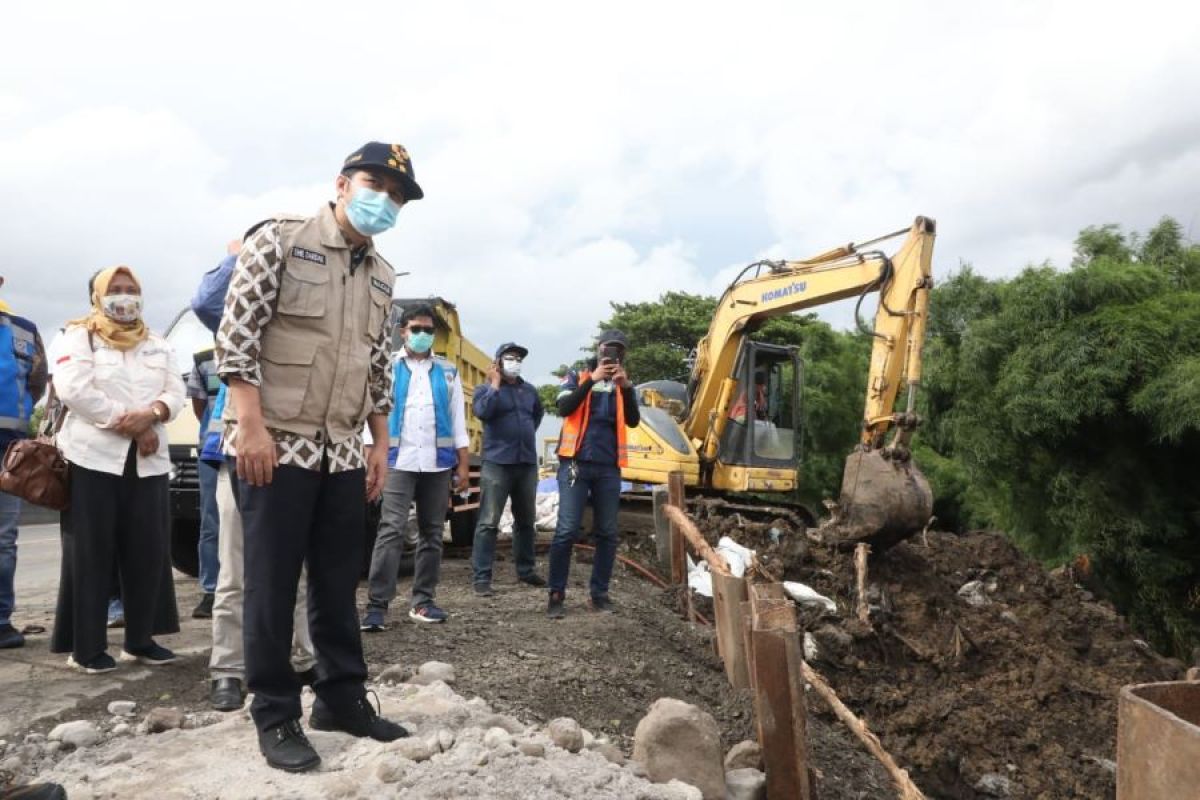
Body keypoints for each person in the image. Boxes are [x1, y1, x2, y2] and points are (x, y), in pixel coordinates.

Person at [216, 142, 418, 772]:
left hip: (342, 450)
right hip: (275, 443)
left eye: (396, 194)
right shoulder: (280, 240)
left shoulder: (383, 273)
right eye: (373, 183)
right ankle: (275, 713)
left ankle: (340, 698)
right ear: (341, 183)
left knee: (337, 581)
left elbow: (377, 364)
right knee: (271, 585)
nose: (382, 199)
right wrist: (250, 427)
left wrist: (381, 443)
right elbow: (237, 334)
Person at [192, 248, 317, 713]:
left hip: (298, 451)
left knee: (297, 568)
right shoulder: (240, 311)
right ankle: (228, 668)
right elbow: (206, 303)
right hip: (241, 453)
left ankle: (304, 658)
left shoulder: (305, 322)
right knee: (235, 567)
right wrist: (237, 258)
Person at [50, 266, 184, 672]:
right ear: (97, 296)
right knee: (90, 554)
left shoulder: (157, 342)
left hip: (148, 462)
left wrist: (153, 414)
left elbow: (174, 391)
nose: (124, 297)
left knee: (148, 550)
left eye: (131, 290)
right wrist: (130, 422)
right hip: (92, 459)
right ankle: (86, 648)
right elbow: (74, 389)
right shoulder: (78, 336)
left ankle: (140, 640)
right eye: (115, 290)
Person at [362, 304, 470, 630]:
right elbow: (374, 413)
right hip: (398, 461)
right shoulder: (389, 368)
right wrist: (370, 456)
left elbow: (458, 422)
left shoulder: (448, 371)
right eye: (417, 329)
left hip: (437, 465)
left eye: (428, 330)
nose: (423, 335)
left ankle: (423, 602)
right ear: (403, 331)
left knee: (433, 534)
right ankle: (377, 606)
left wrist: (463, 465)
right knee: (391, 530)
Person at [547, 330, 640, 619]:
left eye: (618, 351)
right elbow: (564, 406)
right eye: (608, 349)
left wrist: (625, 388)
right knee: (566, 531)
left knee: (608, 533)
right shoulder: (576, 375)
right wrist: (593, 379)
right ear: (598, 349)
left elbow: (634, 421)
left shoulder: (624, 383)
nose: (613, 355)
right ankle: (556, 594)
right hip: (575, 463)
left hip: (609, 467)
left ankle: (599, 594)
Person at [469, 342, 545, 596]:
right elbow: (482, 411)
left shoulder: (529, 391)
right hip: (497, 463)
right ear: (498, 362)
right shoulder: (485, 389)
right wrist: (494, 384)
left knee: (525, 521)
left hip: (525, 463)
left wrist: (522, 434)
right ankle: (482, 577)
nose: (515, 361)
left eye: (518, 358)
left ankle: (526, 570)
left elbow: (536, 416)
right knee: (489, 522)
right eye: (510, 357)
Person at [0, 276, 48, 650]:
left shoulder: (25, 331)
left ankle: (1, 620)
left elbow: (36, 383)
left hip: (9, 449)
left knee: (4, 538)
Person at [185, 346, 221, 619]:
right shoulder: (203, 360)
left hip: (249, 448)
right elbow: (199, 407)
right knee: (211, 521)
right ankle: (210, 590)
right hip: (211, 450)